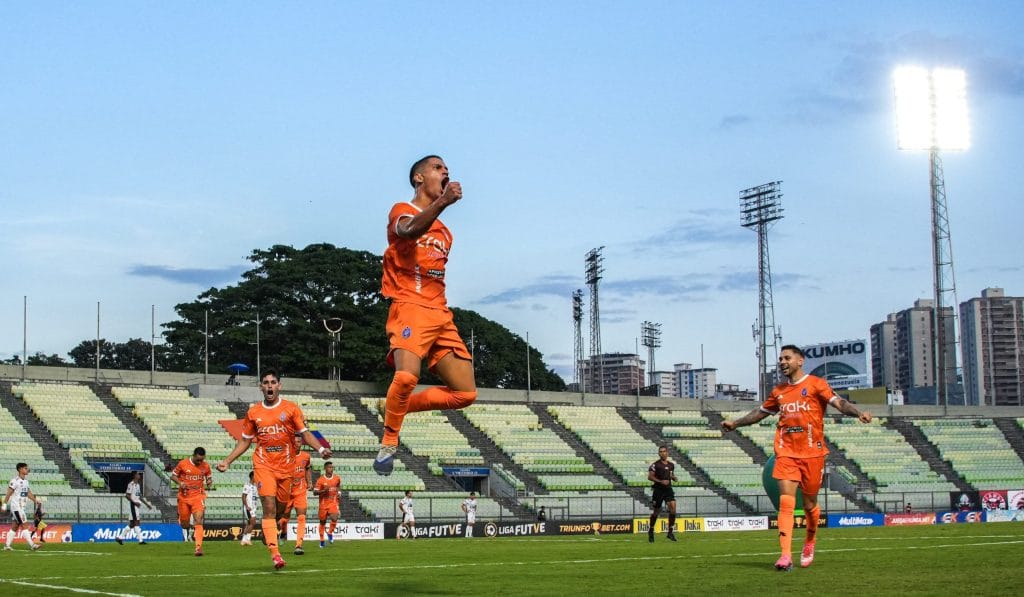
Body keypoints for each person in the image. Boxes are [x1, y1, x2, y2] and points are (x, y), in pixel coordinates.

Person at [722, 344, 872, 571]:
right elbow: (759, 413)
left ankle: (809, 542)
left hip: (813, 453)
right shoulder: (778, 392)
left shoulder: (816, 384)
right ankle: (785, 555)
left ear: (800, 360)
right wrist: (735, 423)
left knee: (810, 504)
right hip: (786, 453)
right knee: (786, 501)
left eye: (787, 358)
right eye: (780, 358)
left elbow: (839, 403)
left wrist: (859, 412)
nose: (782, 362)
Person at [373, 155, 478, 475]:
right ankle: (389, 442)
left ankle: (393, 409)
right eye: (437, 167)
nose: (445, 171)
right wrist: (443, 202)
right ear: (419, 178)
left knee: (465, 394)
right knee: (406, 377)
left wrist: (442, 206)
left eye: (447, 169)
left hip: (440, 315)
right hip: (409, 307)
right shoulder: (401, 210)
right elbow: (406, 232)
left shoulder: (446, 232)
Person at [216, 369, 331, 570]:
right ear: (261, 387)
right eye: (266, 382)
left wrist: (321, 449)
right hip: (263, 465)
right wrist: (228, 461)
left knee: (279, 511)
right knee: (268, 507)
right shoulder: (254, 412)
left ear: (279, 386)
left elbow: (305, 434)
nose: (269, 385)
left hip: (286, 468)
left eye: (273, 382)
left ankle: (268, 532)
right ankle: (275, 554)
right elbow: (245, 441)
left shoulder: (291, 409)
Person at [171, 447, 213, 556]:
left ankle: (198, 548)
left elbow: (208, 476)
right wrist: (180, 483)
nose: (200, 462)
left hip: (198, 496)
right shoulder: (183, 464)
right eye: (198, 460)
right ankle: (183, 520)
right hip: (184, 497)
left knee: (198, 520)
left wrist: (209, 482)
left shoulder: (206, 465)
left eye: (202, 460)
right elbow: (173, 476)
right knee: (184, 525)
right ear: (193, 455)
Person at [277, 435, 311, 555]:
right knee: (284, 519)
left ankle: (298, 545)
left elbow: (307, 468)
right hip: (287, 492)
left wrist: (309, 481)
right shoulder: (285, 456)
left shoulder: (306, 456)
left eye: (300, 441)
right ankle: (284, 532)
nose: (298, 443)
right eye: (296, 441)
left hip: (300, 491)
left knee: (301, 517)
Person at [2, 463, 41, 551]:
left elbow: (28, 493)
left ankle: (7, 546)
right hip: (16, 507)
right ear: (20, 469)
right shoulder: (14, 481)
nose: (27, 470)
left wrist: (35, 500)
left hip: (22, 507)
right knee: (25, 525)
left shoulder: (26, 481)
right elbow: (9, 493)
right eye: (25, 468)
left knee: (15, 527)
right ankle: (32, 545)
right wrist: (4, 504)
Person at [647, 446, 678, 543]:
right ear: (659, 454)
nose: (662, 453)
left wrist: (673, 478)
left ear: (667, 453)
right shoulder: (655, 465)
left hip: (668, 489)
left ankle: (670, 532)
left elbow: (670, 474)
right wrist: (661, 481)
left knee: (673, 507)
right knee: (656, 511)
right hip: (658, 490)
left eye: (664, 451)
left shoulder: (671, 465)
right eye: (660, 452)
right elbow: (650, 477)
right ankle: (651, 530)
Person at [117, 471, 152, 546]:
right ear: (135, 475)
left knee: (132, 524)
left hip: (136, 506)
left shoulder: (138, 485)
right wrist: (134, 502)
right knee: (137, 522)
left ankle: (120, 538)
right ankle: (140, 540)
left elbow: (139, 497)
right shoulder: (131, 484)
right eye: (138, 474)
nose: (139, 475)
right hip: (133, 506)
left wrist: (147, 504)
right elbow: (127, 495)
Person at [314, 461, 342, 548]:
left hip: (333, 502)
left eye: (332, 467)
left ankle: (330, 532)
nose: (331, 469)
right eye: (329, 467)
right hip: (323, 504)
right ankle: (322, 540)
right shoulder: (320, 480)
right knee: (322, 522)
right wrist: (323, 491)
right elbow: (315, 492)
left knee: (335, 517)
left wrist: (339, 492)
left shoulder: (337, 478)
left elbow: (338, 486)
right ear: (325, 469)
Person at [240, 471, 259, 546]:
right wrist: (247, 506)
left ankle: (244, 540)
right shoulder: (247, 485)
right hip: (249, 507)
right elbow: (243, 496)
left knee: (249, 523)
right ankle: (247, 539)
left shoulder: (254, 486)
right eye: (255, 476)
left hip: (253, 507)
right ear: (252, 477)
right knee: (253, 522)